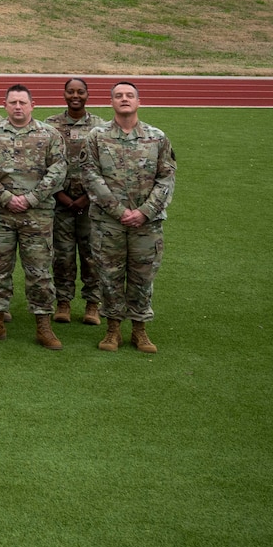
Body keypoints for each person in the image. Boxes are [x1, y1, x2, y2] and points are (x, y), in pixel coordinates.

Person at [0, 85, 66, 350]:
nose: (17, 107)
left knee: (39, 270)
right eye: (12, 102)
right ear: (4, 105)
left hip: (37, 215)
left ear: (32, 105)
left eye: (22, 102)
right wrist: (6, 198)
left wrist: (30, 198)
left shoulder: (49, 134)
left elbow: (58, 170)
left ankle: (43, 325)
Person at [83, 82, 174, 353]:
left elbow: (166, 179)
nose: (124, 99)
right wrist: (119, 211)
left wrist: (144, 212)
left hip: (147, 224)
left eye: (129, 95)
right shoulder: (97, 136)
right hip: (108, 222)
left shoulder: (157, 137)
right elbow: (90, 176)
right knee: (109, 275)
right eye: (119, 96)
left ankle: (139, 329)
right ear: (111, 102)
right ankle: (112, 330)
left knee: (143, 276)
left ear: (138, 101)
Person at [48, 78, 103, 325]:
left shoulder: (100, 127)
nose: (75, 96)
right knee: (62, 255)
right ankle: (63, 302)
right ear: (64, 94)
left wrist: (87, 197)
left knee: (91, 254)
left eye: (80, 91)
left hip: (90, 204)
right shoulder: (50, 125)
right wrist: (59, 194)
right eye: (70, 91)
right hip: (59, 201)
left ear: (88, 94)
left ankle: (93, 303)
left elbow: (105, 168)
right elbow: (43, 163)